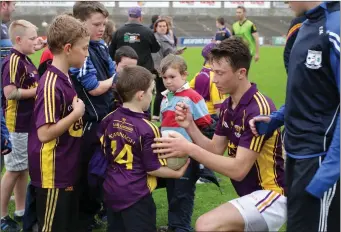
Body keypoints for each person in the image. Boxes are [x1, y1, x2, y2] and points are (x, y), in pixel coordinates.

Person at [152, 38, 286, 232]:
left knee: (206, 225)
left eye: (220, 73)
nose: (213, 79)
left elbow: (238, 170)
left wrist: (189, 148)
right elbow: (215, 148)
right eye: (213, 71)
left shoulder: (258, 109)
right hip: (250, 196)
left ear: (241, 73)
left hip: (271, 196)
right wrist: (190, 126)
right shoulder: (227, 105)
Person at [249, 2, 340, 232]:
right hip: (297, 156)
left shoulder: (335, 28)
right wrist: (276, 119)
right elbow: (309, 90)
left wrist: (329, 171)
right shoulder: (305, 26)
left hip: (321, 160)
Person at [100, 65, 189, 232]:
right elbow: (152, 167)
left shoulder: (108, 119)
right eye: (152, 91)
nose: (152, 95)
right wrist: (177, 173)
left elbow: (104, 150)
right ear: (141, 95)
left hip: (112, 189)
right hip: (136, 195)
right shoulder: (148, 128)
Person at [27, 14, 88, 231]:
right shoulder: (51, 83)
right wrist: (76, 113)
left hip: (66, 165)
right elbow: (44, 133)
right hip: (53, 171)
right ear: (69, 48)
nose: (87, 53)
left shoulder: (64, 76)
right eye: (84, 48)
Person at [69, 2, 116, 230]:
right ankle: (82, 219)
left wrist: (112, 78)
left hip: (103, 118)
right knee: (86, 172)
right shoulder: (82, 51)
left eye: (104, 24)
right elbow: (94, 87)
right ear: (80, 23)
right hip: (87, 123)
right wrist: (115, 80)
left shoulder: (100, 46)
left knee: (98, 171)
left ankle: (91, 213)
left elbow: (111, 72)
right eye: (96, 24)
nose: (101, 28)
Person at [158, 54, 212, 232]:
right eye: (164, 77)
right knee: (172, 191)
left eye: (172, 77)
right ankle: (174, 224)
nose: (167, 81)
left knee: (183, 193)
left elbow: (205, 123)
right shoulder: (166, 97)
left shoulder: (192, 97)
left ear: (185, 75)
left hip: (187, 155)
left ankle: (182, 227)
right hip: (169, 154)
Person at [1, 20, 40, 231]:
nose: (36, 41)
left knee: (22, 168)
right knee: (13, 170)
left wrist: (37, 44)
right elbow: (11, 93)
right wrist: (38, 91)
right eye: (32, 38)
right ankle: (2, 216)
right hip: (15, 125)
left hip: (27, 124)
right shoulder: (13, 61)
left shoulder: (24, 58)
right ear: (18, 40)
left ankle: (21, 210)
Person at [152, 18, 186, 122]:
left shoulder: (168, 37)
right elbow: (156, 56)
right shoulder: (156, 39)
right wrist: (159, 70)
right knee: (161, 92)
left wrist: (176, 52)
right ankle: (156, 115)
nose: (162, 28)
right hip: (162, 69)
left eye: (164, 26)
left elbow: (169, 52)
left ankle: (165, 112)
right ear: (156, 28)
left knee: (166, 91)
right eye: (160, 26)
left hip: (169, 67)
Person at [109, 7, 160, 73]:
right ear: (140, 17)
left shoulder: (119, 32)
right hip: (144, 71)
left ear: (128, 17)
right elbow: (156, 49)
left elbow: (111, 52)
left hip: (125, 71)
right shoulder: (148, 32)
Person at [189, 42, 226, 121]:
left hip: (199, 115)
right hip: (212, 117)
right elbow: (218, 106)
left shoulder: (198, 74)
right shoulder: (215, 77)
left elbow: (188, 91)